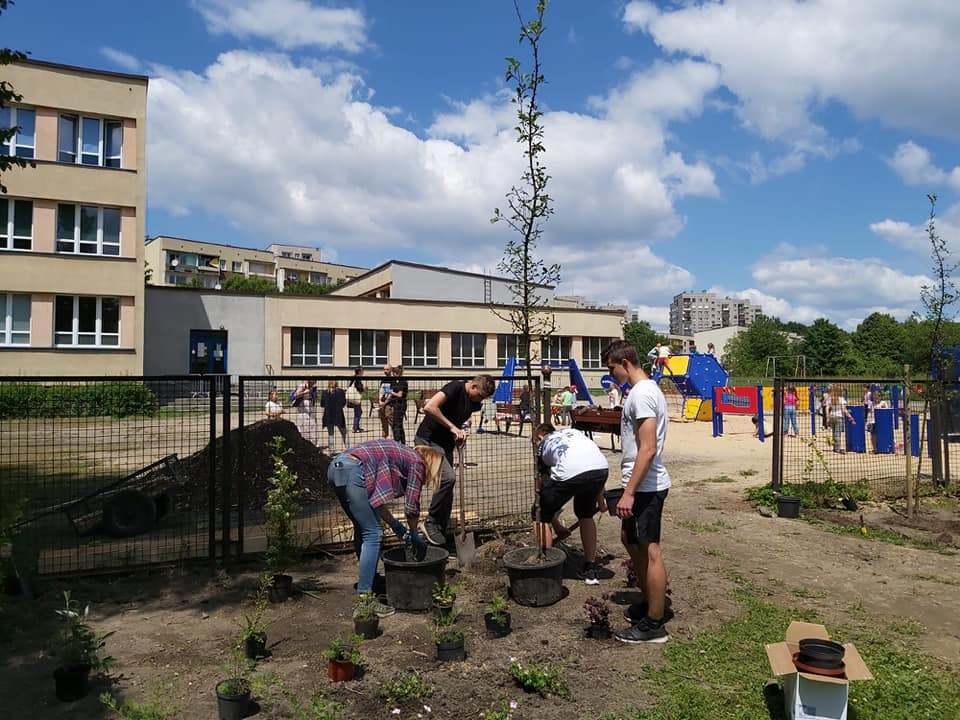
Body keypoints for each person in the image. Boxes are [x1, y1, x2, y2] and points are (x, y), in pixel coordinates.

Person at [602, 339, 671, 644]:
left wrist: (629, 493)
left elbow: (648, 449)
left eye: (612, 368)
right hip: (639, 483)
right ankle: (649, 602)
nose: (612, 374)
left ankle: (655, 624)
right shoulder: (643, 392)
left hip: (645, 487)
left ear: (625, 363)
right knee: (630, 540)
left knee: (650, 548)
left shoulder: (642, 395)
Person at [327, 439, 444, 614]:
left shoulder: (401, 456)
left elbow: (376, 503)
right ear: (431, 463)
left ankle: (370, 580)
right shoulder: (417, 462)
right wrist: (413, 534)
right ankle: (366, 601)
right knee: (373, 534)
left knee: (363, 528)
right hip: (353, 470)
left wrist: (396, 526)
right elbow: (412, 508)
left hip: (337, 468)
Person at [415, 374, 496, 545]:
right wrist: (453, 427)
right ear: (473, 386)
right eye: (480, 395)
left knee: (448, 493)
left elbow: (456, 417)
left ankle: (440, 535)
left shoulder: (473, 402)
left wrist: (459, 433)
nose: (480, 400)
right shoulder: (455, 387)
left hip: (446, 444)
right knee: (448, 479)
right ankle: (430, 522)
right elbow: (429, 407)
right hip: (428, 441)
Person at [532, 423, 608, 585]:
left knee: (539, 513)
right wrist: (601, 502)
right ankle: (590, 567)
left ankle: (546, 566)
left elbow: (544, 489)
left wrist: (545, 514)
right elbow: (590, 464)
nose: (536, 445)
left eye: (535, 441)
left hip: (572, 472)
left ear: (540, 436)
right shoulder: (573, 433)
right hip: (601, 469)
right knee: (585, 514)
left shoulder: (543, 446)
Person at [321, 379, 348, 451]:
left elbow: (322, 404)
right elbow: (343, 403)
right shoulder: (341, 391)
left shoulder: (324, 392)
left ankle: (331, 450)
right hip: (339, 414)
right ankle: (348, 448)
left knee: (330, 434)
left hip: (328, 414)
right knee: (344, 432)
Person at [827, 384, 855, 453]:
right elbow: (844, 410)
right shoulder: (841, 399)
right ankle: (838, 448)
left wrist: (827, 417)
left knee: (834, 433)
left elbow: (827, 408)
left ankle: (835, 447)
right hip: (839, 417)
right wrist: (850, 417)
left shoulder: (830, 398)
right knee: (837, 433)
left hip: (831, 416)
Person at [292, 379, 319, 445]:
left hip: (311, 409)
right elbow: (294, 396)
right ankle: (306, 444)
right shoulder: (302, 386)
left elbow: (314, 397)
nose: (314, 384)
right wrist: (304, 393)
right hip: (303, 410)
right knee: (304, 429)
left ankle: (313, 444)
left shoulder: (312, 387)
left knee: (313, 427)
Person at [389, 365, 409, 444]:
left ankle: (398, 442)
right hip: (395, 404)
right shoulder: (395, 381)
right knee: (398, 424)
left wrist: (390, 392)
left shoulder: (402, 381)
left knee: (397, 424)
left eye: (394, 373)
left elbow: (400, 395)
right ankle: (402, 442)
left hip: (400, 405)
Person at [377, 365, 394, 439]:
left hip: (389, 405)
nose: (385, 371)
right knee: (383, 424)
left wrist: (385, 403)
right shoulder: (383, 380)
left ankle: (396, 440)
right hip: (381, 404)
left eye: (387, 369)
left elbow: (391, 393)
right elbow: (381, 391)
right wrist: (380, 402)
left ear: (391, 370)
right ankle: (384, 439)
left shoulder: (393, 380)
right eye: (384, 369)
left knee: (392, 423)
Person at [347, 367, 365, 433]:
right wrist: (364, 389)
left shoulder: (354, 378)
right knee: (358, 412)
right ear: (359, 371)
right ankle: (355, 428)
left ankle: (356, 427)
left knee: (358, 412)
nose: (363, 372)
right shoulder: (357, 378)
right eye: (362, 371)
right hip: (356, 397)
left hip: (354, 397)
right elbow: (359, 388)